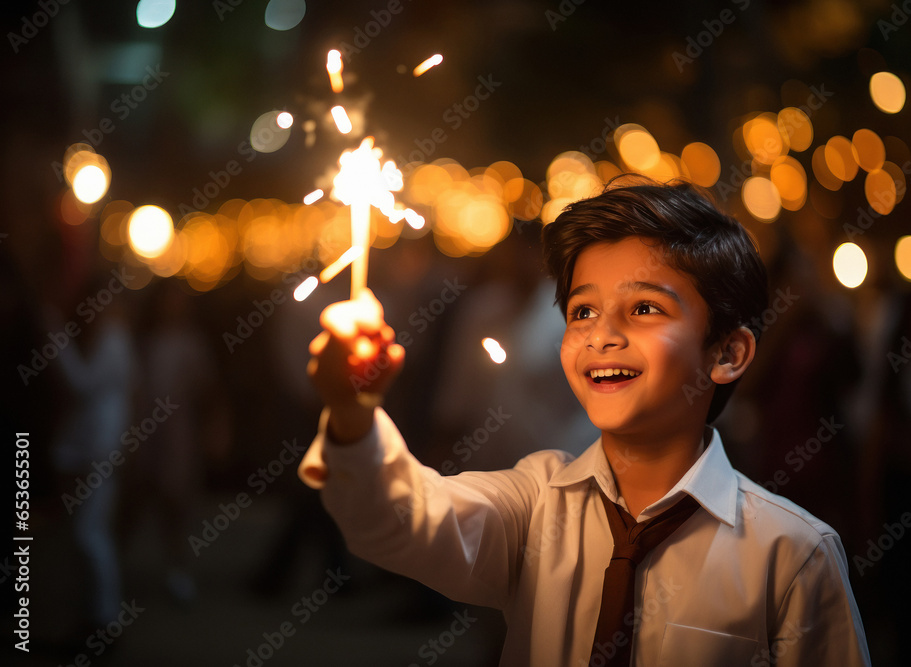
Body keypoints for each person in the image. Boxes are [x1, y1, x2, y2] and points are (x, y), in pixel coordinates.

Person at [298, 179, 871, 666]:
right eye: (583, 311)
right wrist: (352, 411)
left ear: (727, 353)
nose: (602, 336)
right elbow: (400, 518)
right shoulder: (533, 507)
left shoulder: (791, 555)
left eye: (645, 308)